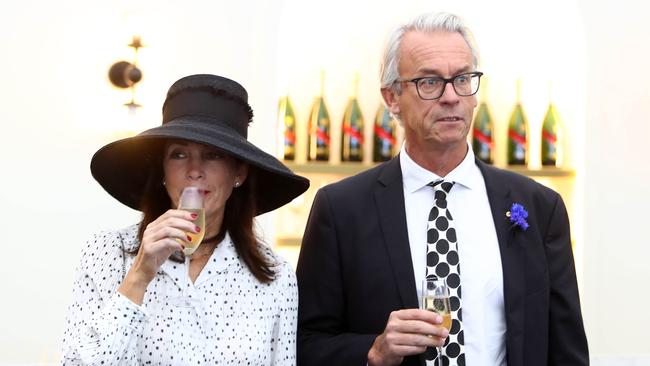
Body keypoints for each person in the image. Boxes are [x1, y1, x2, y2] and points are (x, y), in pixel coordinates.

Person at [296, 12, 588, 366]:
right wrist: (373, 351)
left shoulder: (539, 207)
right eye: (430, 82)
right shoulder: (341, 210)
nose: (451, 96)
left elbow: (566, 348)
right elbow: (305, 346)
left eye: (463, 79)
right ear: (392, 98)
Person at [61, 74, 309, 365]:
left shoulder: (275, 276)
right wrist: (140, 274)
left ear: (238, 173)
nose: (194, 170)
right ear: (163, 171)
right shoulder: (108, 253)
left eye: (213, 155)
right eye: (179, 154)